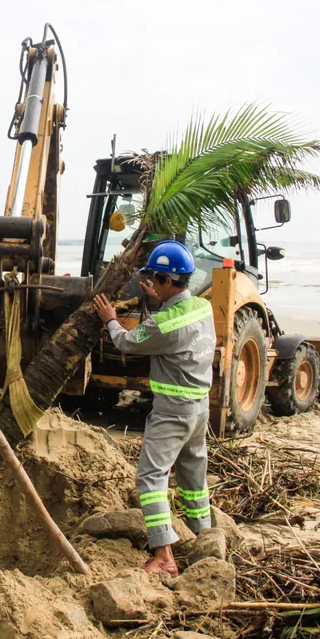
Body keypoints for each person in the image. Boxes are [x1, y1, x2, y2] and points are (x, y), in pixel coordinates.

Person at [93, 240, 216, 575]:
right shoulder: (201, 308)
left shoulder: (164, 324)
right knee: (193, 475)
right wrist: (153, 298)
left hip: (173, 411)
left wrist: (110, 319)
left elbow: (126, 342)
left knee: (150, 478)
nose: (147, 283)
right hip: (199, 407)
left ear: (164, 280)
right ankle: (204, 534)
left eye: (153, 279)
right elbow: (166, 327)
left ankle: (164, 555)